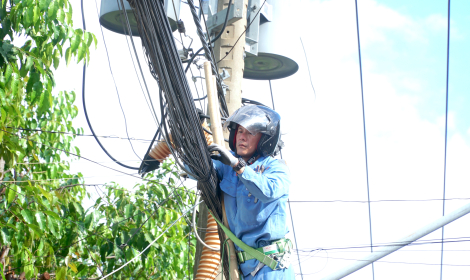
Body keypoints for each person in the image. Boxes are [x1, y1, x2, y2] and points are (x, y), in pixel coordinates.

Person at [207, 105, 294, 280]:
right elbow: (197, 168)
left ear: (264, 139)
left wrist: (238, 166)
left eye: (250, 132)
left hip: (272, 268)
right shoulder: (226, 164)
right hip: (243, 270)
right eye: (240, 131)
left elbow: (267, 191)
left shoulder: (276, 168)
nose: (242, 137)